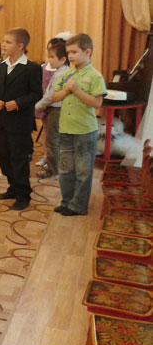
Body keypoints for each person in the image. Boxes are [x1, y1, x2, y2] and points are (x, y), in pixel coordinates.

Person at [51, 33, 107, 216]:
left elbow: (97, 103)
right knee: (66, 169)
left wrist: (76, 90)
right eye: (68, 52)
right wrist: (66, 91)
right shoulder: (67, 74)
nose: (70, 56)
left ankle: (78, 206)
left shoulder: (95, 76)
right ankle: (66, 202)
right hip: (66, 128)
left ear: (87, 52)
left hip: (84, 131)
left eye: (74, 52)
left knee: (83, 171)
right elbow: (54, 96)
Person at [0, 28, 43, 210]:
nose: (3, 45)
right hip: (3, 121)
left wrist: (18, 103)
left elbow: (36, 93)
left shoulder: (32, 68)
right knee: (5, 158)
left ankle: (23, 195)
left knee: (19, 159)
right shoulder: (0, 66)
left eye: (8, 42)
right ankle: (12, 188)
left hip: (20, 122)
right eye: (3, 41)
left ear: (20, 46)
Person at [36, 32, 73, 168]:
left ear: (62, 59)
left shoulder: (62, 73)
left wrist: (38, 105)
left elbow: (51, 94)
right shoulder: (61, 71)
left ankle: (53, 168)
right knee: (52, 137)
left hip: (56, 109)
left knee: (53, 140)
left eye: (51, 57)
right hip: (52, 108)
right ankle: (53, 164)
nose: (49, 60)